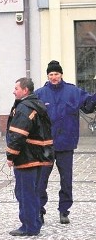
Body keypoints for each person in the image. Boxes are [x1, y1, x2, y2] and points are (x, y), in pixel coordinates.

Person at [35, 60, 96, 224]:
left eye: (56, 74)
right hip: (45, 145)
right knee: (41, 181)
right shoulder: (39, 94)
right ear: (48, 76)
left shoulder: (73, 92)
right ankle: (39, 211)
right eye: (51, 74)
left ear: (61, 75)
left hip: (66, 144)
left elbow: (88, 106)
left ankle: (64, 211)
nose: (54, 77)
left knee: (66, 180)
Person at [6, 77, 54, 236]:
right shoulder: (37, 105)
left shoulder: (25, 108)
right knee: (32, 192)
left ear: (25, 90)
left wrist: (10, 156)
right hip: (39, 156)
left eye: (16, 88)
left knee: (25, 193)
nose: (14, 91)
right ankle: (34, 223)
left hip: (27, 158)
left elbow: (18, 135)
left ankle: (29, 226)